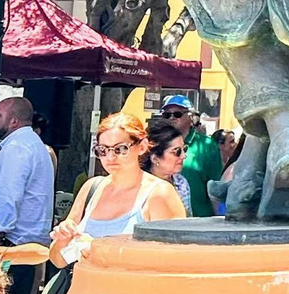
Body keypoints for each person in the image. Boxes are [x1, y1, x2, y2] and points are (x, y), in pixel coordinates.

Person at [47, 112, 187, 270]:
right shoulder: (91, 188)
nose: (111, 157)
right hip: (86, 291)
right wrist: (63, 240)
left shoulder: (159, 194)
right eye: (103, 150)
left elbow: (173, 261)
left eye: (120, 149)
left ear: (142, 146)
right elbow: (58, 260)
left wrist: (99, 250)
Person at [0, 96, 54, 294]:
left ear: (13, 122)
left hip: (11, 242)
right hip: (20, 241)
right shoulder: (29, 144)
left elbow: (9, 194)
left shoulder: (18, 147)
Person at [159, 96, 222, 218]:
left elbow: (216, 185)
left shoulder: (207, 145)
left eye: (177, 114)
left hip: (199, 220)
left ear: (190, 117)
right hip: (162, 217)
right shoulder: (155, 144)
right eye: (167, 115)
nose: (172, 118)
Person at [144, 117, 193, 212]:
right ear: (155, 158)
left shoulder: (181, 183)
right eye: (177, 151)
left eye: (184, 149)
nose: (184, 156)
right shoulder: (140, 187)